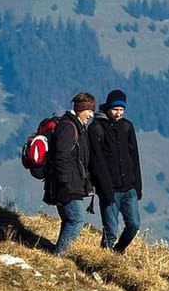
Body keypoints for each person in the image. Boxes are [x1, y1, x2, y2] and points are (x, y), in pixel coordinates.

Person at [86, 89, 143, 253]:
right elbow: (96, 162)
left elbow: (135, 158)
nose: (118, 113)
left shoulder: (127, 127)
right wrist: (105, 189)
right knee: (110, 231)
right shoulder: (96, 128)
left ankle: (118, 251)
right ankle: (104, 259)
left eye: (121, 110)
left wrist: (137, 187)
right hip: (109, 190)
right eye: (115, 109)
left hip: (129, 188)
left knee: (134, 225)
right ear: (108, 108)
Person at [44, 92, 97, 255]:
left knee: (71, 219)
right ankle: (58, 256)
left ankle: (58, 253)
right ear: (81, 109)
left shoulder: (77, 127)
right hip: (66, 186)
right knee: (76, 219)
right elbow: (61, 157)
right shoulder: (68, 127)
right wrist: (66, 183)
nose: (91, 114)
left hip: (71, 184)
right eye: (89, 110)